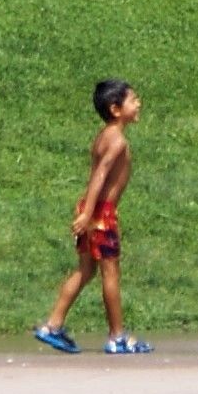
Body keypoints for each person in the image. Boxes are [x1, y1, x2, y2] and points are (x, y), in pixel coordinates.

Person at [34, 79, 151, 355]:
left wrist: (85, 210)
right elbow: (100, 174)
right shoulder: (118, 140)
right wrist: (90, 214)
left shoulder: (102, 136)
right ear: (115, 109)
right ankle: (117, 336)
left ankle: (52, 325)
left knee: (85, 270)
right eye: (133, 100)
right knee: (110, 273)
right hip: (100, 214)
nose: (138, 104)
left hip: (90, 210)